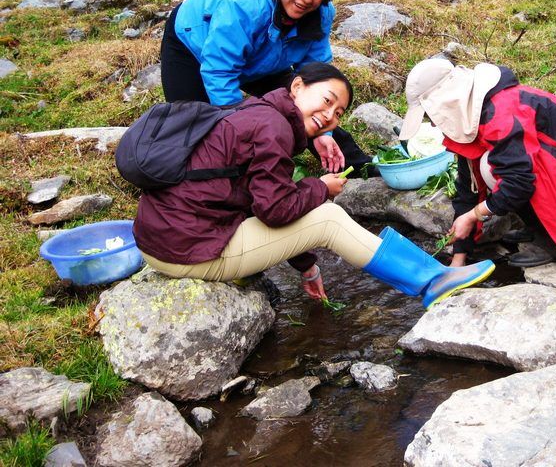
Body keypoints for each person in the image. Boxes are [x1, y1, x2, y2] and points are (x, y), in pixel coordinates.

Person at [133, 63, 495, 308]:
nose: (329, 116)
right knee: (328, 219)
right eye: (327, 100)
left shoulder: (259, 114)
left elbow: (261, 202)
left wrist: (307, 267)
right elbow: (275, 211)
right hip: (186, 250)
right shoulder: (272, 127)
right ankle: (432, 281)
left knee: (315, 211)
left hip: (169, 238)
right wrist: (320, 188)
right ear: (297, 86)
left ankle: (432, 275)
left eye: (338, 114)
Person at [398, 59, 556, 268]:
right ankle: (537, 226)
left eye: (431, 115)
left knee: (495, 168)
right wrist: (459, 257)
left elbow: (519, 182)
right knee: (489, 166)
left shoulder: (501, 112)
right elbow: (468, 187)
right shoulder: (472, 117)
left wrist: (474, 216)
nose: (432, 123)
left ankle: (551, 240)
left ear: (446, 101)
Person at [159, 0, 372, 175]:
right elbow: (219, 71)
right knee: (194, 123)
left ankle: (360, 166)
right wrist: (242, 128)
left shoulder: (320, 13)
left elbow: (317, 78)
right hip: (192, 44)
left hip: (263, 59)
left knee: (311, 103)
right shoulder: (243, 3)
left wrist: (323, 133)